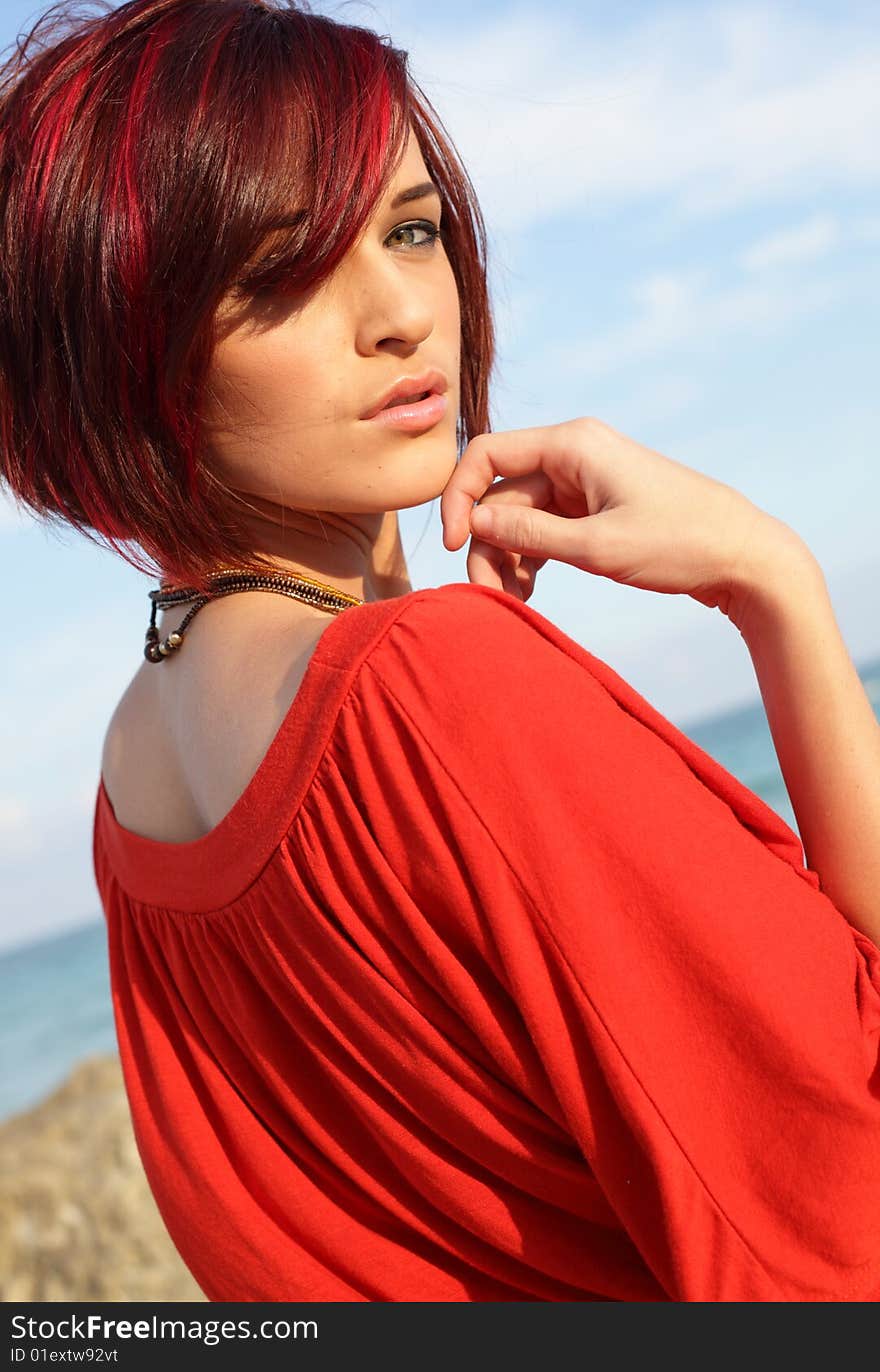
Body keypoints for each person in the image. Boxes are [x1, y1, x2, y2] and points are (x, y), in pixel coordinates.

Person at [1, 0, 878, 1304]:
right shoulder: (435, 683)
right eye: (282, 274)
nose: (406, 313)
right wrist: (774, 583)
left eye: (413, 230)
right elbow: (835, 1190)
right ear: (130, 349)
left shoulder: (135, 781)